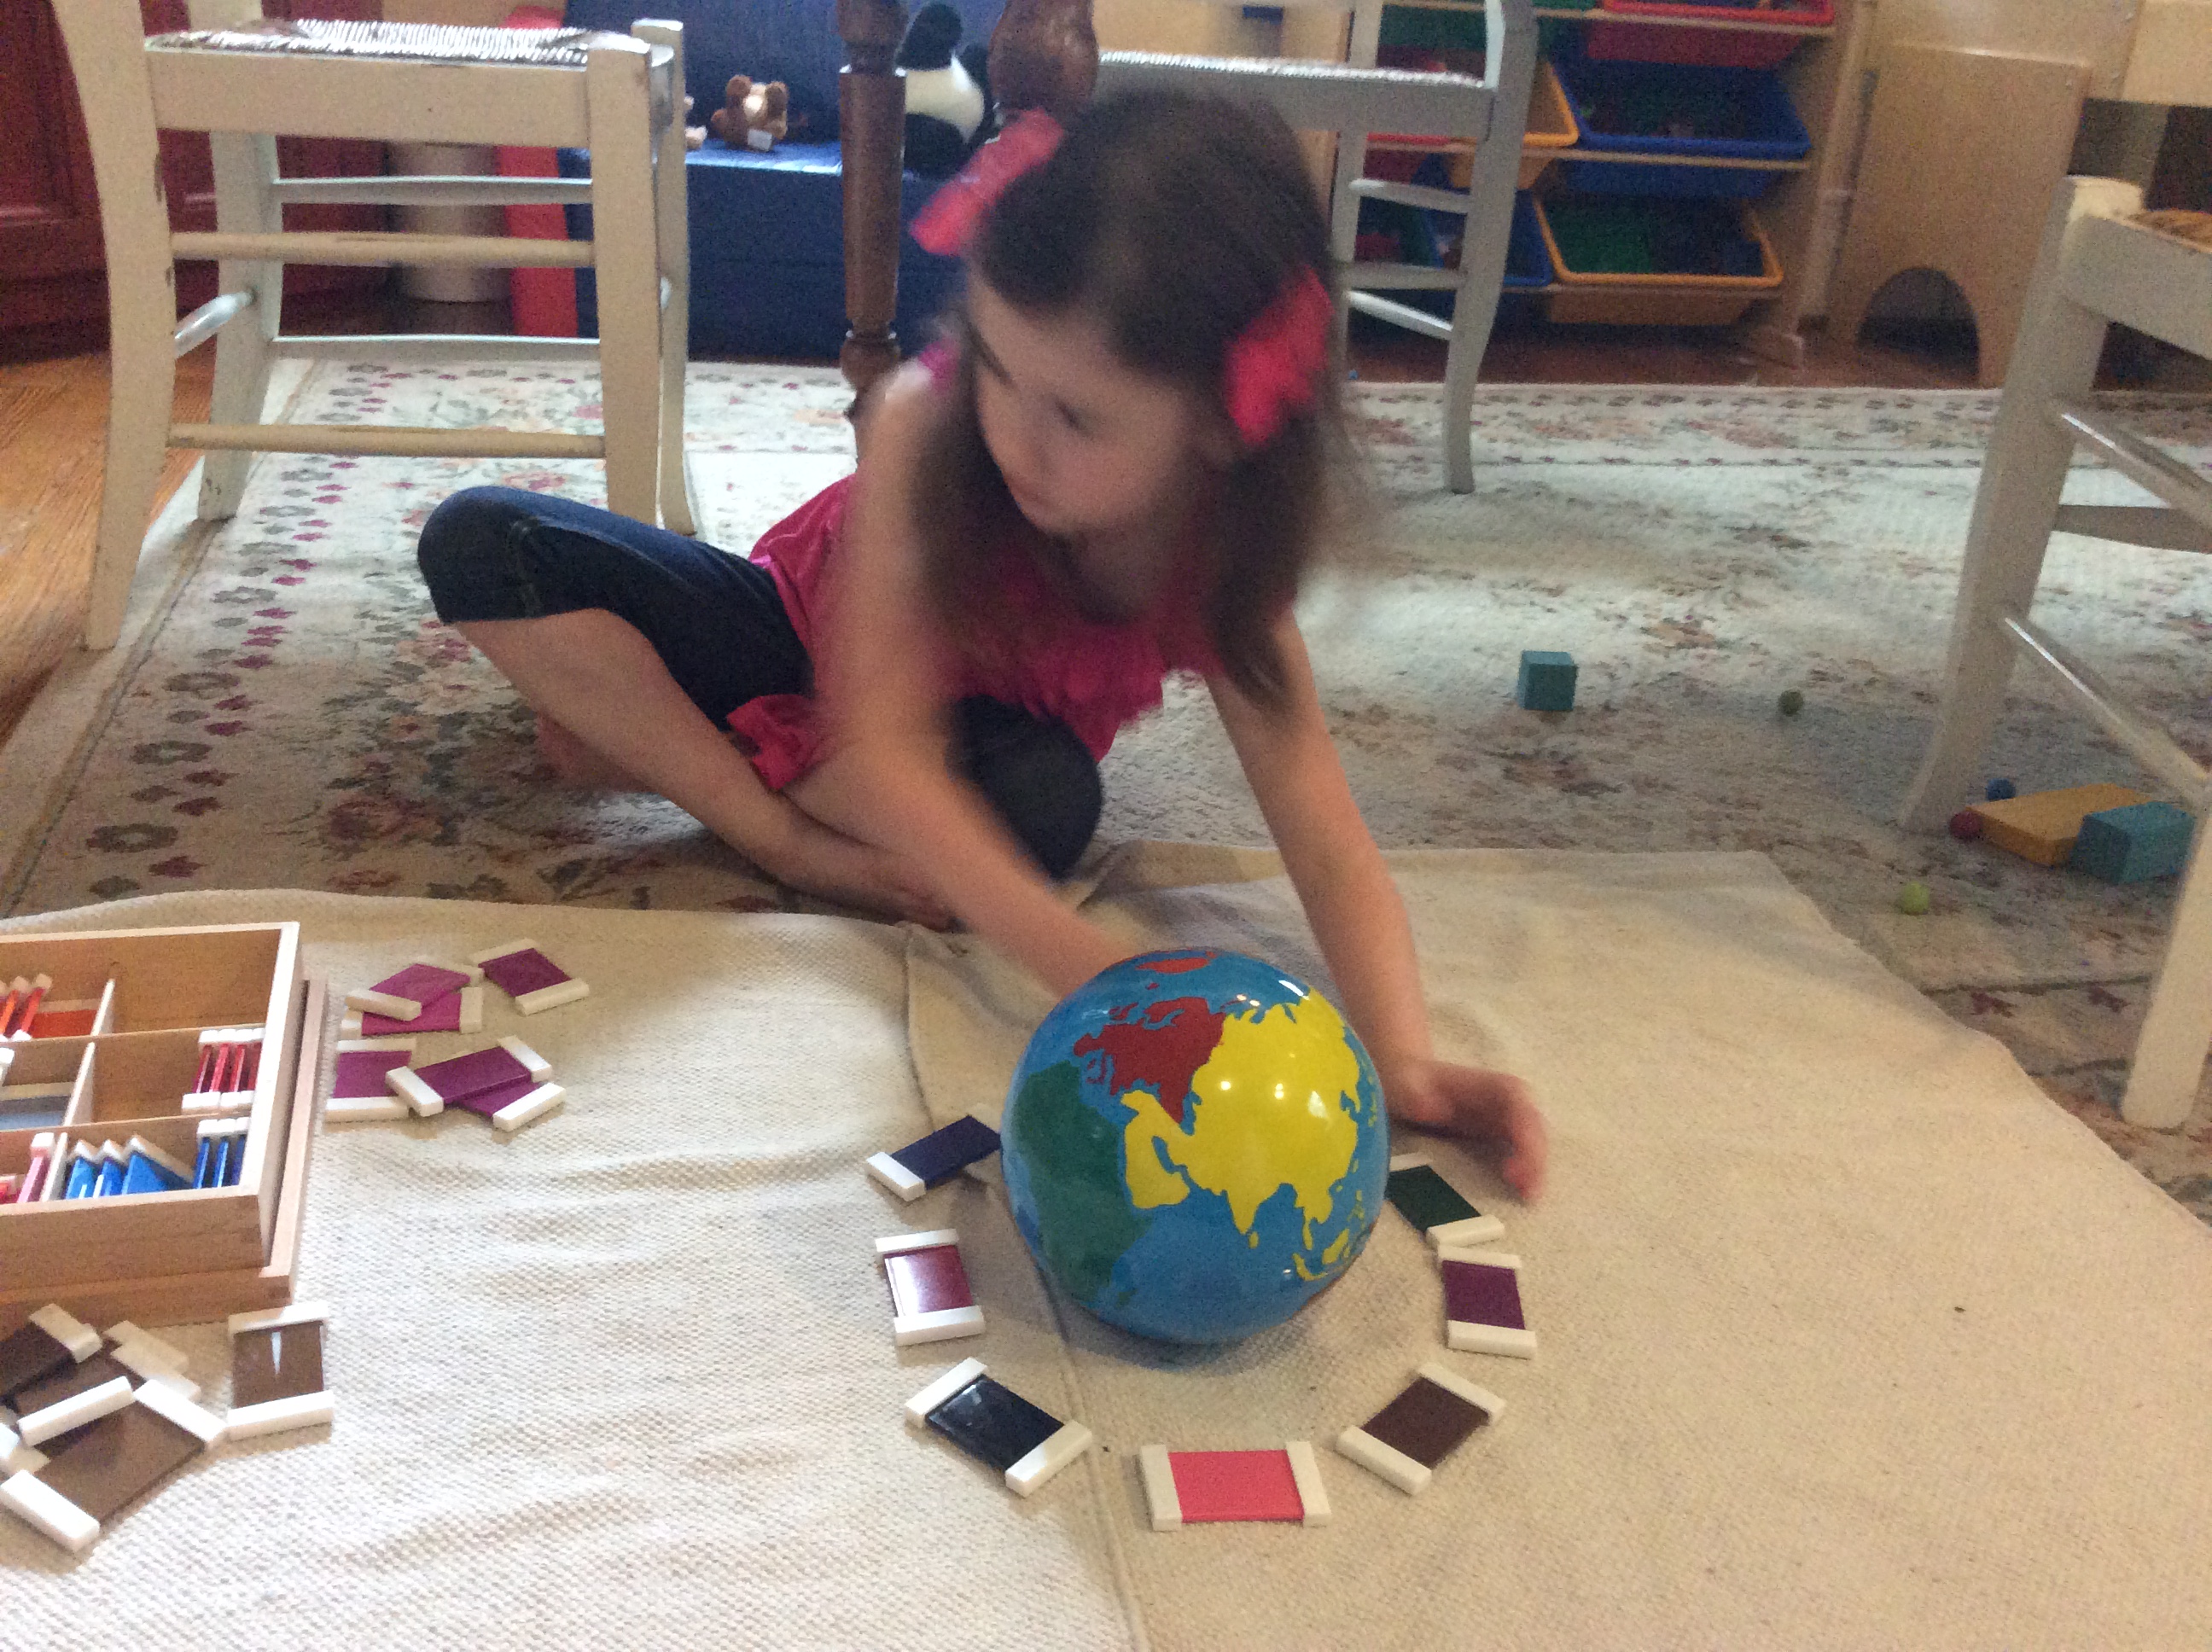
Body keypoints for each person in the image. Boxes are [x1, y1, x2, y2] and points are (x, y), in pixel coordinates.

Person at [416, 90, 1546, 1196]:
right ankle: (764, 807)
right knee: (481, 542)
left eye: (1077, 416)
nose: (1013, 437)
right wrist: (1086, 968)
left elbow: (1323, 827)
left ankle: (653, 735)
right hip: (797, 633)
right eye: (996, 367)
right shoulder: (926, 417)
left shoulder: (1218, 556)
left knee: (1048, 811)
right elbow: (888, 747)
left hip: (973, 737)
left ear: (1220, 424)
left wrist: (1404, 1060)